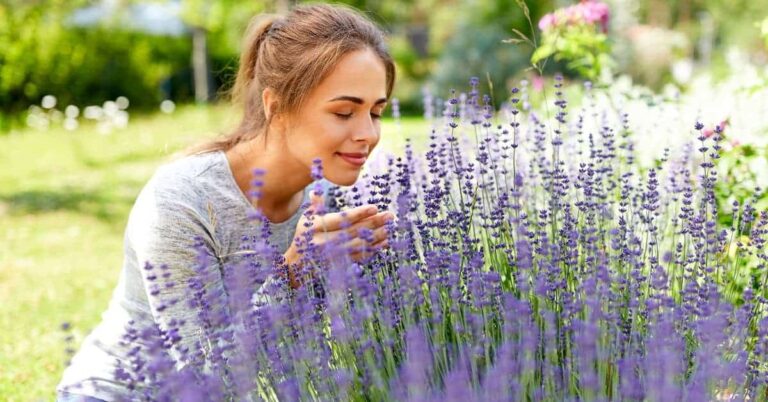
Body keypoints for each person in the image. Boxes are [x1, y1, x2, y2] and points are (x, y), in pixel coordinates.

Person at [56, 3, 396, 400]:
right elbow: (206, 379)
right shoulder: (183, 201)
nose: (368, 133)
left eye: (376, 112)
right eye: (343, 112)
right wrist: (293, 274)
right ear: (276, 107)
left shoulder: (336, 202)